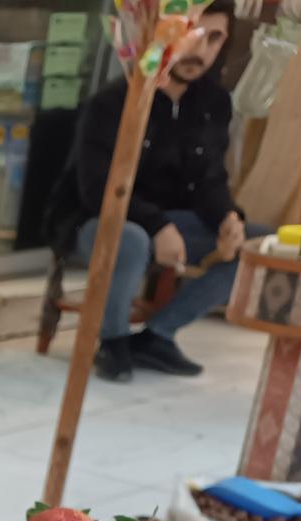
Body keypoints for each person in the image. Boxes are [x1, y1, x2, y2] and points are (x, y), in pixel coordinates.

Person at [47, 0, 245, 381]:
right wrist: (157, 226)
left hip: (174, 221)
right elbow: (96, 189)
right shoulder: (116, 99)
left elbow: (210, 179)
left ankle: (157, 336)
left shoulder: (213, 102)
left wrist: (228, 218)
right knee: (133, 239)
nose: (201, 51)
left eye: (215, 39)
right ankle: (113, 341)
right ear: (169, 31)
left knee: (255, 248)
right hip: (100, 218)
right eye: (194, 35)